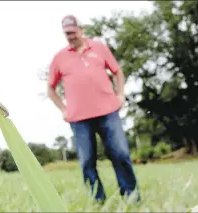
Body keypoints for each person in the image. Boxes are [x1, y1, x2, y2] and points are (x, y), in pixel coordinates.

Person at [47, 15, 140, 203]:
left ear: (81, 30)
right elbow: (50, 88)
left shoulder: (99, 48)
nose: (70, 37)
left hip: (108, 111)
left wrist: (120, 94)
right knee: (87, 161)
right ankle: (98, 202)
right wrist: (63, 110)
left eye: (73, 32)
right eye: (67, 34)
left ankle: (131, 197)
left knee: (120, 154)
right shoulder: (59, 58)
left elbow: (117, 71)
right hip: (79, 118)